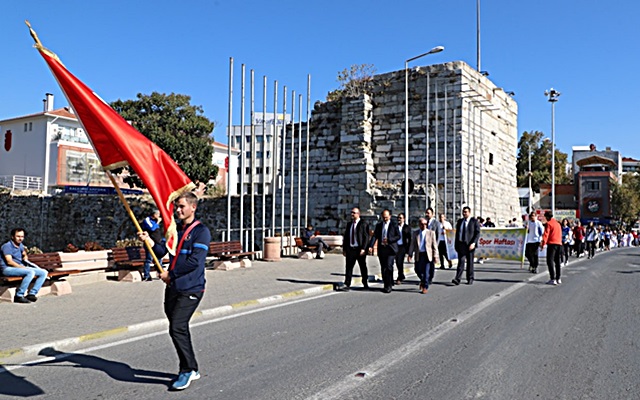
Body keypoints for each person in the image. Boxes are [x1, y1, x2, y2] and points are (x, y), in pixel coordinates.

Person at [138, 192, 211, 391]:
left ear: (193, 207)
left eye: (181, 206)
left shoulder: (201, 231)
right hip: (174, 287)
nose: (177, 210)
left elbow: (195, 261)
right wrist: (150, 242)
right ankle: (192, 367)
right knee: (178, 327)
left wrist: (171, 274)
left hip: (191, 287)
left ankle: (187, 370)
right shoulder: (175, 230)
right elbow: (163, 252)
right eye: (176, 207)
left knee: (177, 326)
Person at [0, 228, 48, 304]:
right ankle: (19, 295)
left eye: (22, 236)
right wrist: (22, 267)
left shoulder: (20, 245)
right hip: (8, 269)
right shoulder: (7, 246)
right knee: (30, 272)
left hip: (19, 267)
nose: (20, 238)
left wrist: (25, 256)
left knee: (43, 272)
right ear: (12, 236)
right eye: (18, 236)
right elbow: (9, 262)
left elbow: (24, 254)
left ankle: (32, 294)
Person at [369, 209, 400, 293]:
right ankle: (386, 284)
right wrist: (370, 246)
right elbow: (375, 236)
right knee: (383, 267)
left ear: (389, 216)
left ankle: (389, 285)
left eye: (386, 217)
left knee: (389, 266)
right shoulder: (379, 225)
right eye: (383, 217)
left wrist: (389, 240)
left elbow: (398, 236)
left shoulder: (394, 225)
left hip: (391, 249)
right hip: (382, 249)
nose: (385, 219)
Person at [407, 218, 439, 294]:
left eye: (425, 224)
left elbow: (434, 245)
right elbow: (412, 244)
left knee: (426, 272)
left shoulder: (431, 233)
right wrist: (410, 254)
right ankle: (422, 280)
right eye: (422, 224)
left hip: (427, 255)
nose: (424, 226)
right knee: (417, 269)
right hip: (419, 254)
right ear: (419, 224)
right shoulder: (415, 233)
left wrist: (436, 256)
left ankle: (425, 286)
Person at [341, 207, 370, 291]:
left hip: (359, 249)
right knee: (349, 267)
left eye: (354, 213)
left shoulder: (363, 224)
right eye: (351, 213)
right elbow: (346, 237)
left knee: (362, 267)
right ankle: (347, 283)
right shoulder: (349, 224)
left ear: (358, 214)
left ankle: (365, 282)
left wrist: (364, 248)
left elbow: (366, 237)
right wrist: (344, 249)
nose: (352, 214)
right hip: (351, 248)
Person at [453, 206, 481, 285]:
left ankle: (470, 278)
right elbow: (458, 233)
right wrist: (456, 244)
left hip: (470, 244)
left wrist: (474, 243)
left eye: (466, 212)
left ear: (469, 212)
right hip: (461, 244)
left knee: (470, 262)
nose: (464, 213)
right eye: (463, 212)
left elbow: (477, 233)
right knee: (461, 262)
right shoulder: (460, 221)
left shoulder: (474, 221)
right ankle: (457, 279)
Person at [540, 210, 562, 285]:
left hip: (552, 244)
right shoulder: (558, 224)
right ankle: (558, 278)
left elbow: (546, 234)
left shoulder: (548, 224)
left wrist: (543, 244)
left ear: (547, 217)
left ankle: (553, 278)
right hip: (559, 243)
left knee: (550, 261)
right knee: (557, 261)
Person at [141, 209, 164, 281]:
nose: (159, 216)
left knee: (159, 258)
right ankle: (146, 275)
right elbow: (152, 228)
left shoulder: (155, 221)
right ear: (154, 215)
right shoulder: (147, 220)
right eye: (158, 214)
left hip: (157, 243)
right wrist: (157, 222)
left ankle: (160, 273)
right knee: (149, 259)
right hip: (149, 243)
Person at [394, 213, 411, 284]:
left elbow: (410, 238)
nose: (399, 219)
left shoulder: (407, 227)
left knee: (399, 261)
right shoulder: (395, 227)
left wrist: (409, 250)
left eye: (400, 218)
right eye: (398, 218)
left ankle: (399, 277)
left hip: (403, 247)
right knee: (397, 261)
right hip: (396, 246)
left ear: (404, 219)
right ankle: (401, 274)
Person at [425, 207, 439, 284]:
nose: (427, 214)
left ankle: (430, 277)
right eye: (426, 213)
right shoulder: (424, 222)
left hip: (432, 246)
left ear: (432, 214)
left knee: (431, 263)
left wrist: (435, 247)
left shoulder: (436, 223)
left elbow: (438, 235)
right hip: (425, 246)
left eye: (428, 213)